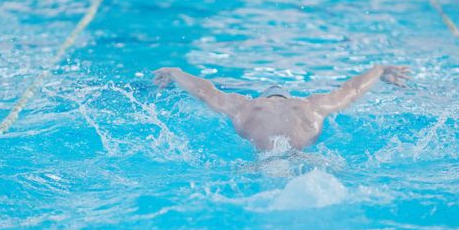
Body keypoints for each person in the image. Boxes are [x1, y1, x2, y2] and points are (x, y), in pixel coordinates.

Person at [153, 65, 409, 151]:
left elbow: (204, 91)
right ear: (288, 98)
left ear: (266, 97)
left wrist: (175, 72)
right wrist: (379, 70)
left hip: (264, 161)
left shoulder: (244, 106)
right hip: (306, 157)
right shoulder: (312, 105)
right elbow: (351, 90)